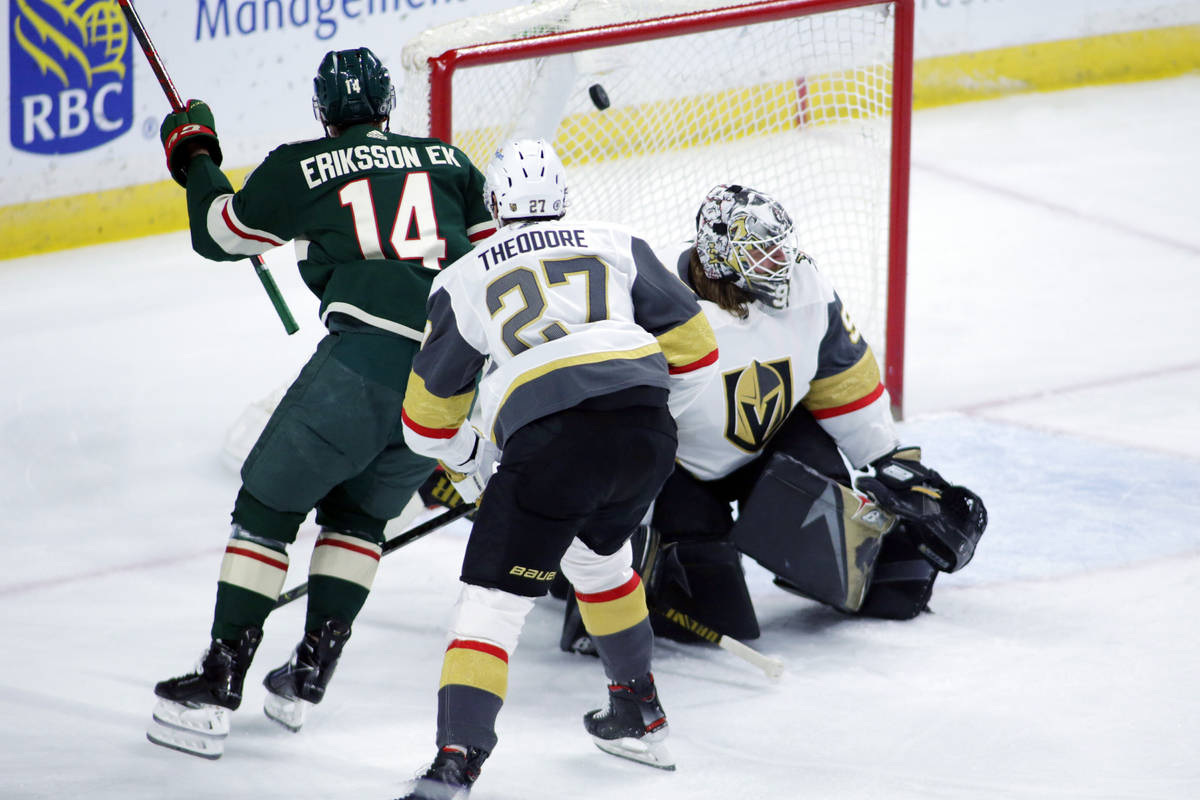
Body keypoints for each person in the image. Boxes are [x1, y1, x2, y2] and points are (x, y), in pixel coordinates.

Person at [146, 47, 497, 759]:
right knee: (359, 514)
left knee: (266, 508)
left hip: (366, 361)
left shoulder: (300, 163)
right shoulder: (452, 162)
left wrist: (195, 154)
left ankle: (219, 683)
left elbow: (219, 232)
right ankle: (307, 674)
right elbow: (497, 258)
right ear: (388, 106)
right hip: (453, 375)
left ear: (321, 111)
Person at [394, 138, 719, 798]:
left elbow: (423, 422)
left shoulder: (464, 275)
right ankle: (638, 711)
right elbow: (699, 352)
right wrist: (650, 421)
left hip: (553, 446)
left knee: (490, 609)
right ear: (563, 197)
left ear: (494, 205)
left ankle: (457, 761)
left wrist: (473, 459)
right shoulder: (616, 238)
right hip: (645, 429)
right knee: (600, 564)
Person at [556, 184, 987, 652]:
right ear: (719, 258)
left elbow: (842, 375)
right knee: (714, 615)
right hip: (677, 469)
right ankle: (583, 574)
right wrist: (607, 541)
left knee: (877, 582)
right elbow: (616, 428)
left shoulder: (807, 288)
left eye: (779, 248)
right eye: (761, 254)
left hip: (775, 440)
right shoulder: (649, 302)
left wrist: (888, 457)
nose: (780, 263)